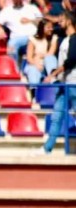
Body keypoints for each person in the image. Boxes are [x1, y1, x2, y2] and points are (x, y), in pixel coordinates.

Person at [41, 12, 75, 155]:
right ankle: (47, 148)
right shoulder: (65, 39)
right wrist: (55, 73)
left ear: (69, 21)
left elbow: (72, 60)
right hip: (63, 84)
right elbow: (62, 63)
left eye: (62, 20)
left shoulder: (75, 39)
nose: (59, 22)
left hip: (73, 83)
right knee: (56, 117)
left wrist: (53, 74)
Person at [24, 19, 59, 86]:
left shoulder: (54, 38)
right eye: (48, 27)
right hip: (35, 64)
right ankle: (34, 90)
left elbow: (50, 53)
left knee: (50, 58)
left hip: (47, 66)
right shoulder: (32, 39)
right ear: (42, 28)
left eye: (52, 27)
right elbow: (29, 57)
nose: (51, 29)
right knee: (33, 70)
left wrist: (39, 55)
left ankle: (52, 77)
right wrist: (36, 64)